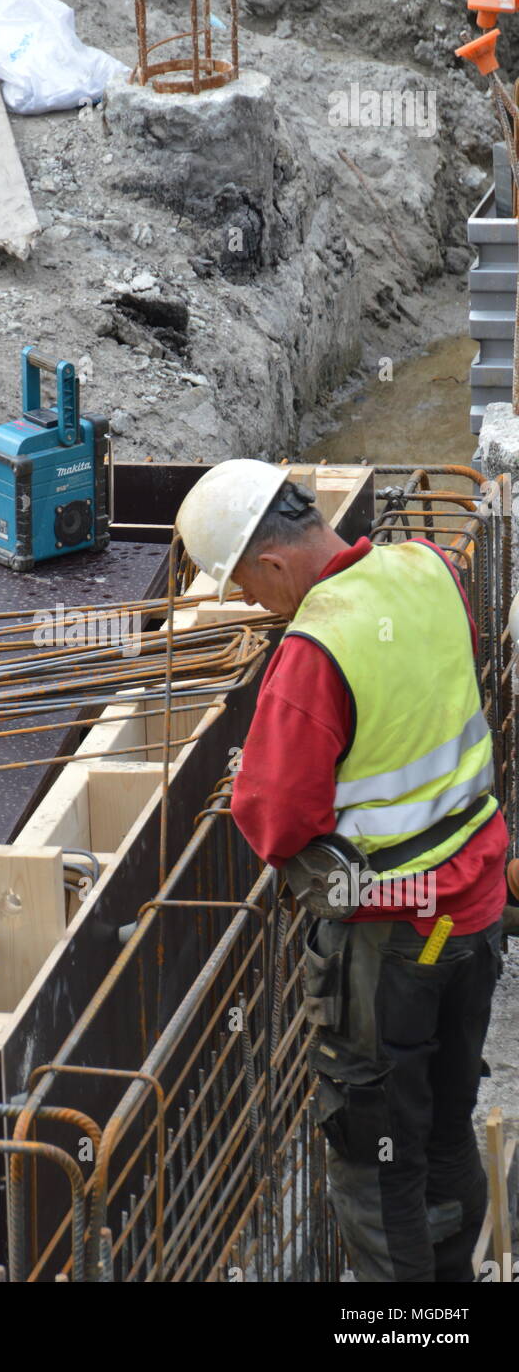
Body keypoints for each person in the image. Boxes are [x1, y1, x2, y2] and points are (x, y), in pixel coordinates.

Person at [175, 458, 509, 1284]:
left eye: (248, 587)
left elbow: (277, 817)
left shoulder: (314, 650)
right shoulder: (430, 568)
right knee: (442, 1127)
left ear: (275, 561)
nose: (254, 605)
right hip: (473, 916)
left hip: (396, 945)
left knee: (375, 1161)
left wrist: (261, 767)